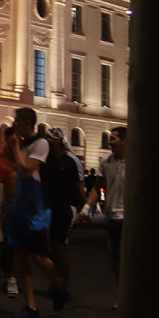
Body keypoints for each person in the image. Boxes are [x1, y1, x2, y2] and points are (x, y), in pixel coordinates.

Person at [6, 107, 66, 318]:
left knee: (39, 255)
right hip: (20, 206)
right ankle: (31, 305)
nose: (14, 125)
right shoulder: (21, 144)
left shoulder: (41, 143)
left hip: (36, 207)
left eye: (17, 121)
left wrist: (14, 150)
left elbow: (26, 170)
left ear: (27, 122)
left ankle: (58, 286)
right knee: (21, 254)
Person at [80, 125, 127, 305]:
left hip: (130, 219)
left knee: (130, 258)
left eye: (113, 138)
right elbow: (99, 186)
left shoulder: (138, 161)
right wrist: (87, 206)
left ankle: (132, 294)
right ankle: (122, 295)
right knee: (116, 257)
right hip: (112, 218)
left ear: (124, 141)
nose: (109, 142)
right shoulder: (106, 162)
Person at [42, 127, 85, 300]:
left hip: (64, 208)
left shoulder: (69, 162)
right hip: (48, 208)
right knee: (48, 248)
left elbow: (79, 187)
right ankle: (56, 281)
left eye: (50, 139)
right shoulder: (45, 161)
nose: (48, 142)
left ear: (58, 141)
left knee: (60, 247)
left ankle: (64, 283)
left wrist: (83, 208)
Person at [0, 126, 18, 297]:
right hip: (8, 203)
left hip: (23, 204)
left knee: (20, 244)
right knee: (8, 242)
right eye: (11, 139)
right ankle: (10, 275)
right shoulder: (0, 159)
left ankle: (14, 275)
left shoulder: (26, 157)